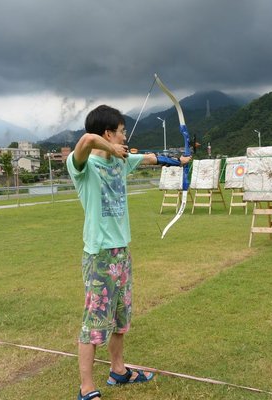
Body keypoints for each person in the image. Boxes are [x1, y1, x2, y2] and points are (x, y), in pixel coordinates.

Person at [66, 104, 191, 400]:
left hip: (122, 252)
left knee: (121, 319)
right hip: (99, 255)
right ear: (108, 133)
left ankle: (118, 371)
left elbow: (151, 157)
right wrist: (108, 145)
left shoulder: (121, 161)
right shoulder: (82, 165)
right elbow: (85, 141)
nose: (124, 138)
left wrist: (178, 160)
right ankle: (86, 388)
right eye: (121, 132)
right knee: (95, 321)